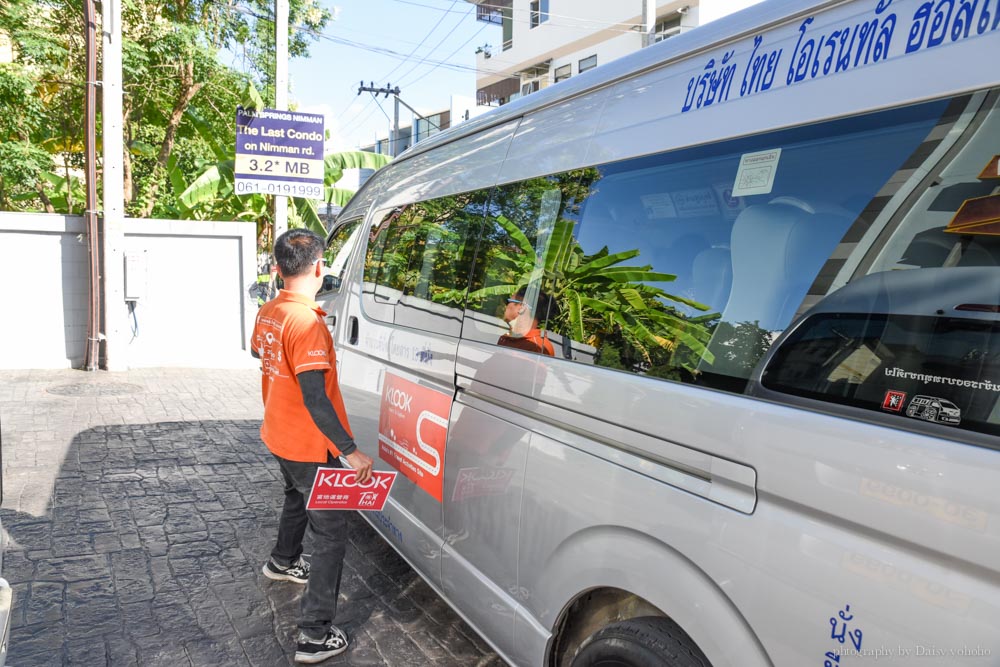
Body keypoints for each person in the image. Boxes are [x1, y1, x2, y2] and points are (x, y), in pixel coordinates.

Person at [250, 228, 374, 664]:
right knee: (331, 531)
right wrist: (350, 450)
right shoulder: (307, 322)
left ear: (278, 268)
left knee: (295, 497)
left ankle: (282, 562)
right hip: (307, 443)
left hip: (277, 434)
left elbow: (258, 354)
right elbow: (314, 396)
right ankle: (315, 635)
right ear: (320, 267)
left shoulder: (271, 310)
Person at [497, 289, 556, 356]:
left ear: (522, 308)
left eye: (508, 302)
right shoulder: (505, 339)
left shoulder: (537, 346)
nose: (505, 306)